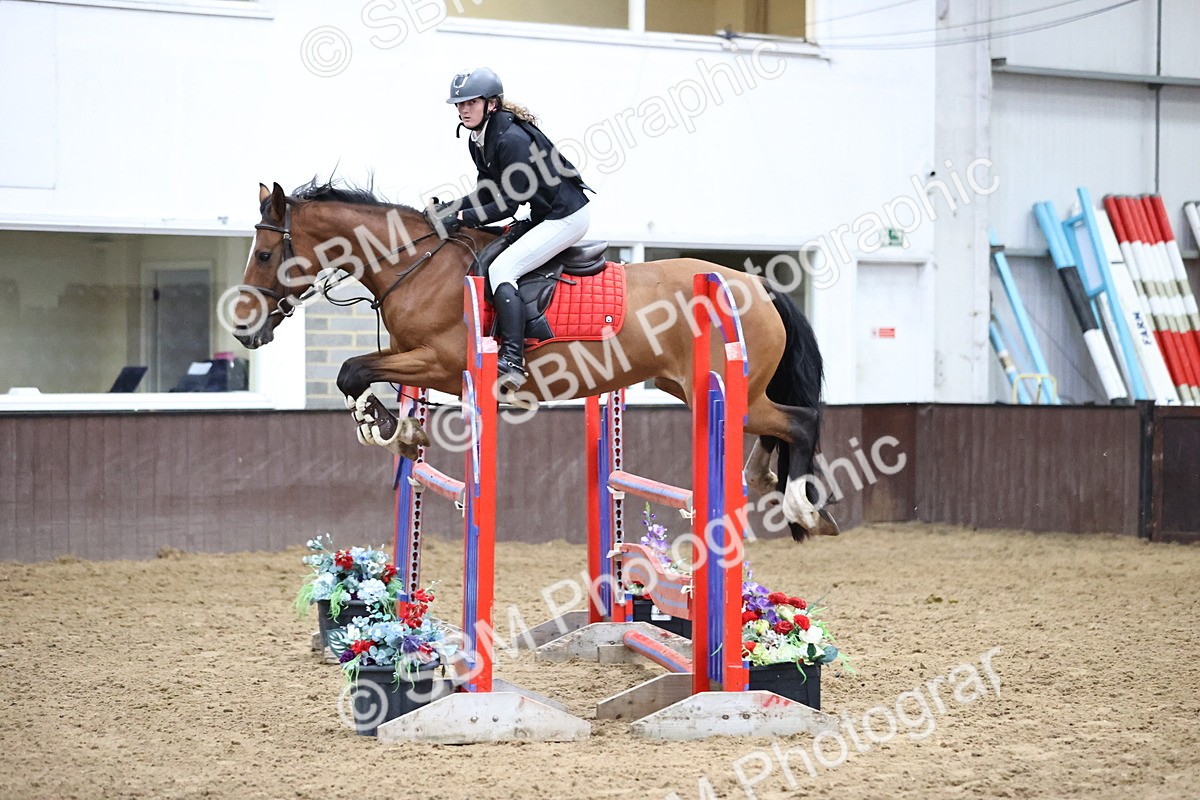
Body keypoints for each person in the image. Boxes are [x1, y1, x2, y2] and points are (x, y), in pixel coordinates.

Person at [434, 67, 592, 393]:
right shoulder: (480, 139)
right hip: (545, 214)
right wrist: (449, 208)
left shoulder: (512, 140)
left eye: (471, 102)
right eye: (459, 104)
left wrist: (461, 217)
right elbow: (486, 194)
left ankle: (513, 360)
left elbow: (506, 206)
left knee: (503, 267)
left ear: (491, 104)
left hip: (566, 216)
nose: (463, 109)